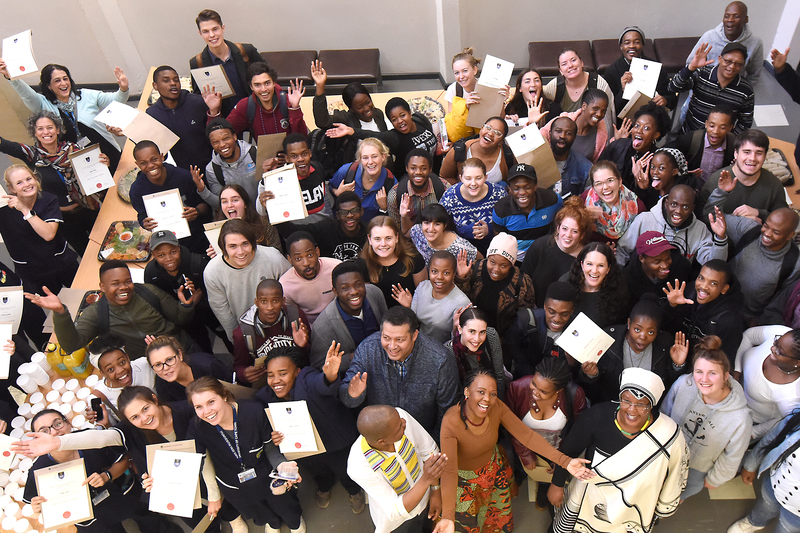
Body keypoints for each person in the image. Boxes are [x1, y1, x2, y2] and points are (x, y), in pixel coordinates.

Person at [13, 386, 242, 533]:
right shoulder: (129, 431)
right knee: (197, 518)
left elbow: (206, 455)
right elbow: (104, 438)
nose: (143, 418)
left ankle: (234, 517)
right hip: (172, 491)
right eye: (134, 417)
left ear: (154, 399)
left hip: (208, 475)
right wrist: (58, 444)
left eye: (145, 409)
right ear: (128, 421)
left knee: (226, 497)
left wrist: (106, 473)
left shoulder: (187, 414)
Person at [438, 369, 593, 533]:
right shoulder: (451, 422)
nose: (487, 399)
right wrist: (447, 516)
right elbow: (449, 470)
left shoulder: (496, 406)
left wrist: (565, 462)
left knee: (495, 520)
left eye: (493, 394)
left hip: (492, 471)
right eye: (481, 392)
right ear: (467, 391)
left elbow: (526, 436)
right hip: (463, 483)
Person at [549, 368, 688, 533]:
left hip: (634, 503)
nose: (632, 409)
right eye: (626, 401)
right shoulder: (597, 416)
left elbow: (676, 472)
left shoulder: (669, 433)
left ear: (651, 406)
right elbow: (569, 450)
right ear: (620, 398)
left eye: (641, 404)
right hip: (590, 496)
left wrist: (661, 506)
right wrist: (557, 484)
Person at [185, 377, 306, 533]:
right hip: (235, 485)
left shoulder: (253, 411)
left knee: (286, 506)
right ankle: (273, 524)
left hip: (266, 476)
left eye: (211, 402)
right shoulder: (197, 427)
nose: (207, 411)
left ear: (223, 395)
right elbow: (190, 462)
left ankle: (295, 523)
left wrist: (281, 465)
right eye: (198, 407)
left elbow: (269, 447)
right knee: (259, 513)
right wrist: (161, 480)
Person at [255, 345, 366, 514]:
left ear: (298, 371)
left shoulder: (306, 378)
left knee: (346, 471)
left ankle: (354, 491)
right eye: (270, 375)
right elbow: (267, 424)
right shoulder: (264, 397)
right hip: (305, 449)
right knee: (319, 472)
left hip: (336, 441)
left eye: (283, 373)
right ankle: (324, 486)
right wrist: (275, 436)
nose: (276, 380)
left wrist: (329, 374)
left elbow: (320, 383)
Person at [22, 409, 173, 533]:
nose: (54, 433)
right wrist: (38, 506)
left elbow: (123, 459)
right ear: (36, 439)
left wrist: (107, 475)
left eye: (58, 423)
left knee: (149, 520)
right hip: (89, 516)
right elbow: (37, 500)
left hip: (122, 493)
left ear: (68, 423)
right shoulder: (38, 470)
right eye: (44, 431)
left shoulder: (90, 440)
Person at [27, 260, 199, 360]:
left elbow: (181, 319)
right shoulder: (96, 313)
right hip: (151, 364)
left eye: (127, 281)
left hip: (182, 349)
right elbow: (71, 345)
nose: (124, 288)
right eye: (115, 284)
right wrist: (60, 313)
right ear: (102, 286)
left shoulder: (149, 292)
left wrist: (185, 306)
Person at [339, 306, 460, 437]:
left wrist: (433, 445)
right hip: (380, 438)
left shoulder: (440, 360)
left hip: (421, 437)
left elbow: (448, 411)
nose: (392, 346)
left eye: (399, 340)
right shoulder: (368, 350)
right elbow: (347, 398)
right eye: (386, 337)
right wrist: (353, 395)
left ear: (414, 335)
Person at [0, 111, 103, 255]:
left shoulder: (74, 149)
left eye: (50, 127)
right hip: (63, 219)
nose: (45, 132)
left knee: (108, 244)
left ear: (58, 129)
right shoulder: (31, 155)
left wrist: (103, 163)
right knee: (88, 255)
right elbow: (5, 145)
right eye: (40, 129)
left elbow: (95, 173)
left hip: (89, 208)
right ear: (34, 133)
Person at [662, 336, 752, 500]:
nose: (704, 379)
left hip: (697, 468)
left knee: (676, 496)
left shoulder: (740, 418)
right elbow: (664, 413)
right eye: (699, 372)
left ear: (726, 376)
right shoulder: (683, 384)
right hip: (666, 453)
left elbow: (733, 455)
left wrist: (715, 479)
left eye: (712, 373)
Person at [0, 61, 127, 172]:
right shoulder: (42, 104)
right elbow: (25, 93)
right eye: (57, 80)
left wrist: (123, 88)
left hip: (107, 149)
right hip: (76, 160)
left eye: (65, 78)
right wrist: (10, 76)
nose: (63, 83)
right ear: (48, 86)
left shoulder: (86, 95)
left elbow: (115, 100)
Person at [505, 357, 588, 509]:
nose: (535, 392)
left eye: (543, 391)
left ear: (559, 390)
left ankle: (544, 485)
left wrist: (561, 461)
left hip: (556, 448)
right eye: (534, 384)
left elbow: (578, 433)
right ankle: (519, 475)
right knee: (521, 468)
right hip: (522, 446)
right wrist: (525, 454)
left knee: (546, 475)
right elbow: (510, 425)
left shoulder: (575, 395)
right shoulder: (517, 388)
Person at [347, 405, 445, 533]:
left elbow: (429, 452)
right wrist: (426, 480)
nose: (404, 422)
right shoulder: (359, 466)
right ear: (382, 441)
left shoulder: (399, 417)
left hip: (427, 500)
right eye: (399, 427)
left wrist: (435, 492)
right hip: (399, 522)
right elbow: (395, 510)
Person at [582, 297, 688, 405]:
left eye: (651, 332)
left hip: (647, 409)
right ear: (629, 324)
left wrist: (677, 365)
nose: (642, 337)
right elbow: (592, 389)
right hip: (610, 405)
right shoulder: (608, 340)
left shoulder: (665, 344)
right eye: (637, 329)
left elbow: (670, 387)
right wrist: (591, 375)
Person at [203, 219, 291, 340]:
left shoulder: (273, 258)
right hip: (246, 333)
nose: (240, 252)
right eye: (233, 246)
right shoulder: (212, 272)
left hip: (281, 326)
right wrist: (237, 340)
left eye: (245, 244)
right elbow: (222, 312)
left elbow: (291, 292)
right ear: (223, 247)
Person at [145, 229, 228, 353]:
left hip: (208, 311)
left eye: (173, 252)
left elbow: (217, 291)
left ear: (179, 248)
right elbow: (156, 300)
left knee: (225, 335)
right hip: (184, 318)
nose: (168, 259)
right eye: (161, 255)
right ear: (153, 254)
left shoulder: (198, 263)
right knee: (200, 344)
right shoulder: (151, 273)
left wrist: (198, 298)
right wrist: (187, 304)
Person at [0, 165, 79, 295]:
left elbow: (48, 234)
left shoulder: (48, 199)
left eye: (29, 179)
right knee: (58, 306)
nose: (26, 184)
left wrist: (25, 210)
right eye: (19, 183)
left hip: (62, 263)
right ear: (11, 189)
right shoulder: (4, 210)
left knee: (85, 293)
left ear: (35, 179)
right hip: (34, 272)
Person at [130, 140, 212, 253]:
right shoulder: (137, 190)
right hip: (165, 244)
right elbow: (142, 216)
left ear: (162, 157)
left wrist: (197, 211)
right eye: (143, 163)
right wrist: (145, 224)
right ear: (137, 164)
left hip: (196, 239)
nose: (150, 166)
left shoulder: (184, 177)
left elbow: (206, 205)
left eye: (154, 159)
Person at [616, 185, 727, 267]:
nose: (678, 211)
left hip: (678, 284)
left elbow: (714, 265)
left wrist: (720, 238)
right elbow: (623, 251)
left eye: (685, 207)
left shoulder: (700, 229)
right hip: (643, 281)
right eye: (674, 204)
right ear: (666, 203)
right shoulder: (644, 220)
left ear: (692, 208)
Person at [721, 208, 800, 322]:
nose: (767, 233)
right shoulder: (751, 230)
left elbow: (782, 300)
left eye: (776, 232)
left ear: (790, 235)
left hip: (746, 318)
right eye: (766, 226)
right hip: (719, 302)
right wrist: (722, 192)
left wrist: (760, 321)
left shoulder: (794, 263)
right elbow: (713, 216)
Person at [330, 98, 439, 178]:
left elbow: (433, 138)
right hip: (412, 179)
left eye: (402, 115)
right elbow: (375, 135)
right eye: (394, 119)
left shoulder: (420, 120)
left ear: (409, 113)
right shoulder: (394, 137)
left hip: (434, 172)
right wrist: (352, 131)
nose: (400, 121)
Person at [663, 260, 745, 364]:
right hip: (675, 355)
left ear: (724, 289)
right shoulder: (689, 292)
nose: (704, 286)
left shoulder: (729, 320)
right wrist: (672, 306)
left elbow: (725, 361)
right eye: (701, 278)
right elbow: (666, 328)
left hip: (700, 368)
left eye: (713, 283)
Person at [731, 409, 800, 533]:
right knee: (766, 505)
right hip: (775, 481)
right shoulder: (796, 419)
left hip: (797, 510)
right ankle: (755, 522)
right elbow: (772, 438)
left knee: (786, 528)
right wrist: (751, 465)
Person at [310, 59, 390, 165]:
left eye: (367, 102)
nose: (366, 108)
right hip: (356, 172)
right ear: (351, 108)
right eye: (360, 107)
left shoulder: (378, 114)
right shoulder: (346, 119)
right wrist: (320, 87)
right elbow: (322, 121)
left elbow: (384, 141)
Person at [309, 261, 387, 370]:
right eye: (345, 288)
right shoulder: (323, 326)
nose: (354, 292)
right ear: (335, 291)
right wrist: (351, 358)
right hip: (354, 375)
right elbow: (319, 364)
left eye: (358, 284)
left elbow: (387, 324)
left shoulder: (374, 293)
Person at [232, 279, 310, 386]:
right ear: (256, 302)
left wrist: (302, 346)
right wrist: (244, 374)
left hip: (298, 379)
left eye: (275, 301)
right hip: (268, 385)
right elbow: (239, 366)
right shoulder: (242, 333)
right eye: (264, 301)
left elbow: (312, 355)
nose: (270, 307)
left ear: (283, 301)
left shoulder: (296, 317)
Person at [189, 9, 266, 116]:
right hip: (225, 120)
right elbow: (198, 98)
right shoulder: (197, 63)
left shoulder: (246, 51)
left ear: (223, 28)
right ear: (200, 34)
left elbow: (268, 76)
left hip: (255, 114)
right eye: (206, 31)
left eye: (215, 29)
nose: (211, 35)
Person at [456, 233, 536, 335]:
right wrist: (462, 278)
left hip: (505, 338)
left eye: (503, 265)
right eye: (492, 262)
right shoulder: (475, 269)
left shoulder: (522, 283)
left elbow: (524, 318)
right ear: (487, 258)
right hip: (473, 334)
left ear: (511, 265)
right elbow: (462, 303)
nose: (496, 269)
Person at [206, 62, 308, 142]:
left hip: (291, 157)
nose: (263, 89)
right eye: (257, 85)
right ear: (251, 87)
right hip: (264, 161)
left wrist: (295, 108)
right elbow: (220, 134)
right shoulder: (246, 105)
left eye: (267, 83)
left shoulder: (287, 101)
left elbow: (302, 137)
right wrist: (214, 111)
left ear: (274, 83)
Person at [700, 130, 788, 221]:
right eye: (746, 152)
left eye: (759, 153)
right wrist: (737, 223)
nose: (752, 158)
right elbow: (702, 218)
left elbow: (783, 219)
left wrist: (759, 214)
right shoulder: (715, 181)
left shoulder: (774, 184)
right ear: (736, 154)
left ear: (765, 156)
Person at [669, 42, 754, 135]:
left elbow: (745, 124)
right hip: (690, 134)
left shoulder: (746, 90)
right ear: (720, 59)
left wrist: (728, 141)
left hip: (721, 142)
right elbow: (673, 87)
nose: (732, 67)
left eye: (738, 64)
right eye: (728, 61)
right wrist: (690, 68)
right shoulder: (702, 73)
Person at [522, 197, 592, 306]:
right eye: (564, 228)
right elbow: (524, 279)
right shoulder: (540, 246)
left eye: (575, 231)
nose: (568, 235)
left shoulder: (586, 260)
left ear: (582, 235)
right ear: (558, 228)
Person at [733, 325, 800, 441]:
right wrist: (736, 372)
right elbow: (749, 336)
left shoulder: (791, 396)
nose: (772, 349)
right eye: (776, 343)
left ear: (797, 363)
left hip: (743, 419)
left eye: (779, 351)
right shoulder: (783, 334)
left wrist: (751, 433)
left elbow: (781, 423)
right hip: (729, 393)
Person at [505, 282, 583, 380]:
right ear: (545, 306)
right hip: (527, 379)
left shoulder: (580, 331)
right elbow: (517, 355)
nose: (557, 319)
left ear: (572, 311)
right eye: (551, 312)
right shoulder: (525, 322)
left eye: (564, 314)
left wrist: (572, 364)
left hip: (561, 384)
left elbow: (579, 377)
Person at [146, 65, 212, 171]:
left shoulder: (197, 102)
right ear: (155, 86)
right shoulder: (153, 114)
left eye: (176, 80)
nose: (173, 83)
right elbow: (161, 152)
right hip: (185, 171)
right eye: (166, 80)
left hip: (213, 165)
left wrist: (214, 110)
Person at [492, 163, 563, 262]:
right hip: (514, 259)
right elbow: (500, 242)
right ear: (510, 189)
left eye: (527, 187)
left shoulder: (553, 201)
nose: (522, 192)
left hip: (545, 255)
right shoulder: (500, 210)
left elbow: (561, 224)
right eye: (516, 188)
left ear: (535, 186)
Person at [597, 101, 672, 195]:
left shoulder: (657, 161)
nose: (639, 131)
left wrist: (641, 186)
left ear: (656, 135)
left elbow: (652, 201)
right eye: (637, 125)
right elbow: (597, 170)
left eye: (646, 128)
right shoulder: (618, 145)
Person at [438, 157, 507, 255]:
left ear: (485, 177)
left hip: (496, 251)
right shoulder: (450, 197)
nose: (473, 183)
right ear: (461, 177)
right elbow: (441, 227)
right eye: (468, 178)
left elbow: (511, 224)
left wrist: (490, 230)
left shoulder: (499, 193)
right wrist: (463, 231)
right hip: (461, 252)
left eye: (478, 178)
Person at [257, 133, 330, 223]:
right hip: (297, 234)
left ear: (310, 153)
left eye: (304, 154)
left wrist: (329, 221)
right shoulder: (278, 180)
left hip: (323, 229)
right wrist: (266, 181)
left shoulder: (318, 168)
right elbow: (261, 212)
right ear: (287, 158)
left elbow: (325, 199)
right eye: (294, 156)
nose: (300, 159)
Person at [686, 2, 764, 85]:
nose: (730, 20)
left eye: (736, 16)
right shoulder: (709, 37)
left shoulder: (755, 43)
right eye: (726, 16)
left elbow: (754, 75)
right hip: (704, 86)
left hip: (734, 90)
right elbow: (690, 65)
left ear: (746, 19)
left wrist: (741, 91)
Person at [542, 48, 616, 135]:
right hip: (566, 136)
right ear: (561, 71)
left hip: (594, 135)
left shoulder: (597, 83)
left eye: (573, 60)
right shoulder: (555, 85)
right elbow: (540, 98)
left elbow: (608, 119)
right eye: (564, 64)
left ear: (581, 63)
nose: (570, 65)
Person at [358, 216, 426, 308]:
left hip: (410, 314)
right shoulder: (362, 263)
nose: (383, 244)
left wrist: (411, 306)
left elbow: (424, 296)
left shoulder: (413, 258)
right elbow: (365, 301)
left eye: (388, 238)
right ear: (369, 239)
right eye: (377, 239)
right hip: (379, 317)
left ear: (397, 238)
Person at [444, 48, 510, 143]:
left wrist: (501, 101)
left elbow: (500, 118)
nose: (461, 76)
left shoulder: (487, 86)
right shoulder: (453, 89)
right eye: (456, 73)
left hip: (486, 136)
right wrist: (464, 106)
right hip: (463, 138)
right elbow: (451, 119)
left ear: (475, 70)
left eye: (465, 71)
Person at [604, 26, 677, 113]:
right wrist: (623, 91)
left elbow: (672, 98)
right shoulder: (611, 71)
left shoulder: (655, 67)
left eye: (637, 42)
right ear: (621, 46)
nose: (632, 46)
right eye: (627, 43)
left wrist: (665, 100)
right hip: (625, 122)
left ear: (643, 45)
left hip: (652, 117)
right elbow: (609, 108)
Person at [278, 191, 368, 261]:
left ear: (361, 211)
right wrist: (272, 211)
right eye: (343, 212)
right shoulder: (326, 228)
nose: (349, 215)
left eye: (354, 210)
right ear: (337, 215)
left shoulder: (370, 232)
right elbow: (291, 232)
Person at [145, 334, 231, 404]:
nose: (166, 368)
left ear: (180, 355)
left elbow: (234, 389)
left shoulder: (208, 365)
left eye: (169, 360)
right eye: (158, 364)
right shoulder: (162, 386)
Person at [329, 138, 397, 225]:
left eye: (374, 156)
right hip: (344, 227)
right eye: (365, 158)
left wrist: (385, 207)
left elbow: (396, 217)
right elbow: (330, 187)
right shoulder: (347, 172)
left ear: (383, 157)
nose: (370, 162)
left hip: (370, 230)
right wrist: (337, 192)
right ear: (359, 160)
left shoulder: (390, 181)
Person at [87, 333, 156, 418]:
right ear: (102, 373)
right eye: (110, 369)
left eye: (122, 362)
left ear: (127, 357)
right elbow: (112, 429)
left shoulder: (145, 365)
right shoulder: (98, 398)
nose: (120, 370)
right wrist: (103, 423)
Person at [666, 104, 736, 188]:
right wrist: (684, 174)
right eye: (712, 126)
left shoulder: (733, 145)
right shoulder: (690, 140)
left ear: (730, 128)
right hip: (689, 189)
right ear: (706, 124)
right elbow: (665, 155)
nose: (716, 131)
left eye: (722, 127)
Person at [195, 117, 258, 210]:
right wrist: (202, 190)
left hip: (265, 215)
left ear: (235, 136)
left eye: (226, 138)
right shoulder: (212, 169)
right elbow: (221, 205)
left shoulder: (255, 153)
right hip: (241, 220)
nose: (222, 145)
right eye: (215, 142)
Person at [279, 231, 340, 325]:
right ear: (290, 260)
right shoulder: (285, 285)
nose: (306, 263)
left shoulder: (336, 268)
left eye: (310, 255)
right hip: (310, 329)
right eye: (298, 259)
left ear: (317, 252)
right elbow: (293, 317)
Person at [564, 242, 630, 328]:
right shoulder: (566, 283)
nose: (594, 271)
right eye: (589, 264)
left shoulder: (618, 292)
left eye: (601, 265)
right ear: (582, 265)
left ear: (608, 269)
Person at [621, 231, 692, 311]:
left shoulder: (681, 266)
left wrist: (673, 305)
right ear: (642, 259)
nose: (665, 265)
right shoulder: (626, 279)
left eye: (668, 258)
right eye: (657, 261)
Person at [444, 307, 507, 398]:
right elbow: (453, 390)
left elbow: (499, 376)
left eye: (482, 332)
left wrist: (496, 402)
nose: (477, 339)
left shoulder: (491, 336)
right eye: (472, 331)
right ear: (460, 329)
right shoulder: (449, 351)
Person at [410, 251, 471, 344]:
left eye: (446, 273)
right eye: (434, 271)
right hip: (419, 344)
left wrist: (455, 328)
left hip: (444, 351)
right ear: (429, 271)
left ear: (454, 274)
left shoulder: (462, 302)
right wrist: (408, 306)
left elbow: (462, 341)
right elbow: (413, 322)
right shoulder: (422, 287)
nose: (439, 277)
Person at [582, 161, 645, 244]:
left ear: (619, 181)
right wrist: (583, 215)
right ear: (593, 187)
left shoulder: (638, 207)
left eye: (610, 180)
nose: (605, 187)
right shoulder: (584, 201)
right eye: (598, 183)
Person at [388, 149, 450, 233]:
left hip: (437, 237)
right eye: (413, 168)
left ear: (430, 169)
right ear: (407, 168)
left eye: (423, 168)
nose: (418, 172)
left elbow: (449, 223)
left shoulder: (445, 188)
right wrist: (404, 216)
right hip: (408, 240)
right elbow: (396, 230)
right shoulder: (395, 195)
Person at [439, 117, 515, 185]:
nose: (490, 133)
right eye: (488, 128)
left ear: (501, 141)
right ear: (481, 129)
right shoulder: (459, 150)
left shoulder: (508, 155)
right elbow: (445, 177)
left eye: (497, 133)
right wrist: (463, 191)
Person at [541, 89, 611, 163]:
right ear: (584, 106)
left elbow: (597, 162)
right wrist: (532, 123)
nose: (599, 114)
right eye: (595, 108)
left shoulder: (601, 134)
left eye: (603, 111)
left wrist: (616, 140)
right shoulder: (563, 121)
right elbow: (539, 137)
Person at [210, 184, 282, 254]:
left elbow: (277, 253)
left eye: (235, 200)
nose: (229, 205)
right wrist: (218, 256)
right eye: (224, 201)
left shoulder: (263, 223)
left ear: (245, 204)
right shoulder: (216, 231)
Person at [408, 204, 478, 266]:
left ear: (444, 226)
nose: (430, 229)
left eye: (437, 224)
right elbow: (405, 234)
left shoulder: (460, 247)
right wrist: (404, 216)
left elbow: (480, 260)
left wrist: (462, 277)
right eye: (426, 223)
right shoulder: (417, 231)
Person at [631, 147, 696, 208]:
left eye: (661, 168)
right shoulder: (651, 189)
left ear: (674, 171)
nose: (655, 172)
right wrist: (642, 189)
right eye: (653, 167)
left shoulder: (682, 195)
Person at [546, 117, 593, 198]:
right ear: (550, 133)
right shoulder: (538, 161)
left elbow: (589, 200)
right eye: (558, 131)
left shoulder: (585, 167)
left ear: (574, 138)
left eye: (568, 133)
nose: (563, 136)